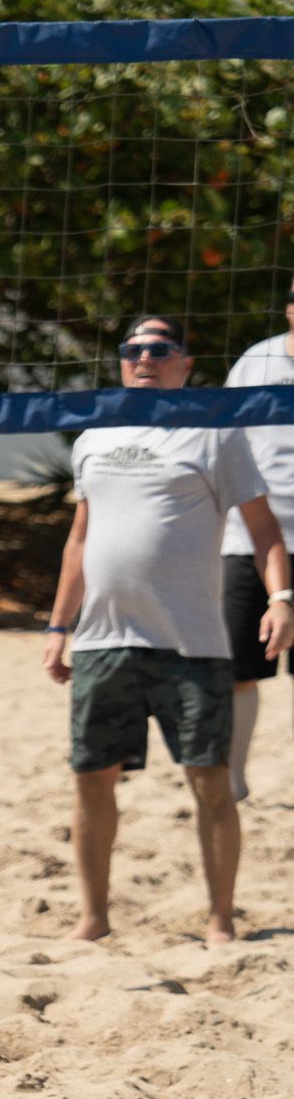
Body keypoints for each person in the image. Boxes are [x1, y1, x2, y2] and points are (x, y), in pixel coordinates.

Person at [43, 314, 294, 945]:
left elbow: (263, 530)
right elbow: (80, 539)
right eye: (134, 349)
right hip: (103, 640)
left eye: (160, 348)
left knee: (210, 780)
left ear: (185, 363)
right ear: (122, 361)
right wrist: (56, 626)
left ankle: (220, 920)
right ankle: (94, 920)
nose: (145, 357)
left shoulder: (214, 433)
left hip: (192, 641)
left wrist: (281, 597)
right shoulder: (94, 437)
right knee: (91, 777)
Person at [222, 281, 294, 800]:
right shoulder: (257, 361)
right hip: (250, 540)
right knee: (239, 669)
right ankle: (233, 780)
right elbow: (226, 439)